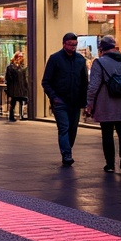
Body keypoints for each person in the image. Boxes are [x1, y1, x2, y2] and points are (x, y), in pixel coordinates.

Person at [85, 34, 121, 172]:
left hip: (106, 104)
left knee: (107, 133)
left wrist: (89, 103)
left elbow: (93, 86)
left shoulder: (99, 63)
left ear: (102, 49)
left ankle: (110, 164)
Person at [41, 31, 88, 167]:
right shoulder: (55, 59)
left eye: (75, 44)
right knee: (64, 128)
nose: (73, 47)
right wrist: (54, 97)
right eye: (70, 44)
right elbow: (46, 81)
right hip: (60, 101)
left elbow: (84, 82)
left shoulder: (80, 60)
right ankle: (66, 154)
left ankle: (68, 150)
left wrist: (85, 101)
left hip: (75, 101)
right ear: (64, 44)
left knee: (73, 129)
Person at [4, 52, 29, 121]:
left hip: (21, 87)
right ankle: (11, 116)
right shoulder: (11, 67)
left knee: (22, 101)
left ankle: (21, 115)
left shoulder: (22, 67)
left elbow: (24, 78)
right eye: (18, 57)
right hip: (14, 87)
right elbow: (9, 78)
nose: (20, 58)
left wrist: (26, 87)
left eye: (21, 57)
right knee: (13, 101)